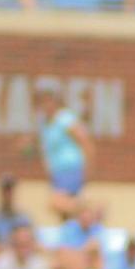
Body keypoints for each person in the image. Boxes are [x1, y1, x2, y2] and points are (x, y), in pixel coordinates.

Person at [35, 87, 93, 221]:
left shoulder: (64, 119)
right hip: (57, 174)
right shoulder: (46, 124)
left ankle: (89, 210)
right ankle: (84, 214)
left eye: (48, 102)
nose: (45, 106)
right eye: (42, 103)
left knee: (55, 203)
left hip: (70, 169)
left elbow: (86, 143)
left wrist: (87, 172)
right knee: (65, 217)